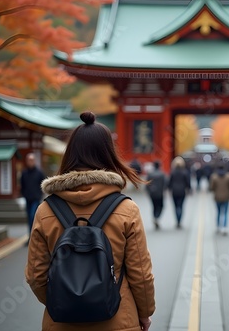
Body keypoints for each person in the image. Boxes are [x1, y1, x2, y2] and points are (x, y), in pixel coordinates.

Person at [25, 112, 155, 331]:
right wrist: (144, 313)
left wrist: (66, 302)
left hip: (61, 323)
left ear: (70, 154)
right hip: (118, 320)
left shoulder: (45, 210)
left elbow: (36, 276)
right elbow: (140, 275)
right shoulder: (126, 209)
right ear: (108, 154)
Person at [20, 152, 45, 238]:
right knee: (29, 218)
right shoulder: (24, 173)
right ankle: (30, 236)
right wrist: (24, 194)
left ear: (34, 161)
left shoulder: (39, 172)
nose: (30, 162)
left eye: (32, 160)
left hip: (36, 198)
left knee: (32, 216)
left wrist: (40, 195)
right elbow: (22, 185)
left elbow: (43, 184)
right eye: (29, 160)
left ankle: (35, 236)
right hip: (27, 198)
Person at [209, 162, 229, 235]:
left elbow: (212, 187)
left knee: (218, 212)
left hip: (217, 197)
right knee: (225, 212)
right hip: (226, 196)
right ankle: (224, 227)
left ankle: (218, 226)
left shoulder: (214, 176)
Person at [168, 156, 191, 229]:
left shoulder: (172, 172)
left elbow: (169, 182)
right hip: (182, 191)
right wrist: (189, 189)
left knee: (175, 206)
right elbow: (188, 182)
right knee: (180, 206)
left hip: (174, 191)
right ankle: (179, 220)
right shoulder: (185, 172)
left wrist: (169, 189)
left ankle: (177, 220)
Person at [146, 160, 167, 230]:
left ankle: (155, 217)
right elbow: (165, 184)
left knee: (154, 206)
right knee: (160, 206)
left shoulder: (150, 174)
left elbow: (147, 185)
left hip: (152, 193)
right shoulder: (162, 174)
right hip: (160, 193)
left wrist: (149, 192)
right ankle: (157, 217)